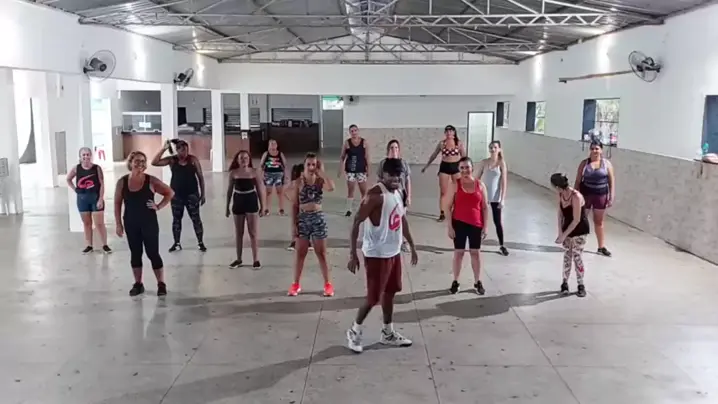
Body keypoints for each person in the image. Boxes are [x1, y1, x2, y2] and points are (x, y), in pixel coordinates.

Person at [346, 158, 419, 353]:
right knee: (373, 297)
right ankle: (354, 330)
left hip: (393, 252)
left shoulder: (398, 192)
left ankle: (387, 332)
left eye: (398, 175)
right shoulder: (375, 196)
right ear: (382, 175)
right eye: (391, 175)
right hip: (376, 254)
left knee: (391, 291)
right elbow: (356, 221)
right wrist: (353, 254)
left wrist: (412, 244)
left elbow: (402, 219)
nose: (395, 179)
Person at [114, 151, 174, 297]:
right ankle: (138, 283)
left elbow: (170, 193)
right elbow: (117, 203)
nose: (140, 164)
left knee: (153, 253)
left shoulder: (151, 181)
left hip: (148, 223)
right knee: (135, 254)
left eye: (142, 161)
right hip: (131, 223)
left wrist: (158, 206)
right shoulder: (122, 182)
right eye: (137, 161)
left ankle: (161, 283)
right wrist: (118, 224)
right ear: (130, 162)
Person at [289, 153, 335, 297]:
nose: (311, 167)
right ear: (304, 166)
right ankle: (296, 284)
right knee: (300, 253)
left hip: (317, 218)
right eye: (308, 164)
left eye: (313, 164)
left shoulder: (320, 181)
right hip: (303, 218)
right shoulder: (298, 182)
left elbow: (331, 187)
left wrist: (321, 172)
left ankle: (328, 284)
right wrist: (294, 225)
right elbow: (295, 204)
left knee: (321, 253)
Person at [442, 157, 488, 295]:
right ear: (459, 169)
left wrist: (485, 227)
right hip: (459, 224)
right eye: (461, 168)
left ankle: (477, 281)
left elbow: (485, 207)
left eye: (467, 167)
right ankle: (455, 281)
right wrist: (450, 226)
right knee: (459, 253)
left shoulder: (480, 185)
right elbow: (447, 207)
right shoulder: (455, 185)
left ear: (472, 168)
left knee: (475, 253)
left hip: (476, 224)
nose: (464, 170)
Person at [151, 139, 206, 252]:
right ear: (177, 150)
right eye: (182, 150)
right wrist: (163, 149)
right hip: (176, 196)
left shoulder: (193, 160)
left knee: (196, 219)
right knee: (176, 220)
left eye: (186, 150)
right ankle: (177, 243)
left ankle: (200, 243)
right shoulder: (172, 160)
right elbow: (154, 162)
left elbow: (200, 177)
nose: (184, 153)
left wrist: (203, 194)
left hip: (192, 194)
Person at [551, 173, 590, 298]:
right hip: (567, 227)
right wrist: (560, 232)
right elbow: (560, 213)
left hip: (579, 229)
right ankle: (564, 282)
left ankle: (581, 284)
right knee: (567, 256)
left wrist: (564, 235)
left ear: (558, 186)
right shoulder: (560, 194)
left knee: (577, 256)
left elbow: (576, 220)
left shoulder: (576, 196)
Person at [66, 147, 111, 254]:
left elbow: (102, 184)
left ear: (91, 156)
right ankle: (89, 246)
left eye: (88, 154)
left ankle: (104, 245)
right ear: (80, 157)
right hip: (82, 200)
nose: (86, 157)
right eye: (84, 155)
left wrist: (100, 199)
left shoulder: (96, 168)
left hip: (95, 198)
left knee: (99, 223)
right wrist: (75, 189)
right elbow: (68, 179)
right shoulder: (76, 168)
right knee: (87, 223)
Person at [574, 141, 615, 257]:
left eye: (597, 148)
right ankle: (577, 245)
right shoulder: (584, 164)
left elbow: (611, 182)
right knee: (582, 220)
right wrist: (575, 196)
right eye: (592, 149)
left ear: (601, 150)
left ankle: (601, 247)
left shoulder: (607, 164)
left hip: (601, 196)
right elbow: (578, 181)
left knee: (599, 222)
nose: (594, 151)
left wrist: (611, 197)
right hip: (586, 195)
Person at [226, 150, 266, 269]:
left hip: (251, 201)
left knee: (253, 233)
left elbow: (260, 189)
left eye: (246, 158)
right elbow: (229, 190)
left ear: (249, 160)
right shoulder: (233, 173)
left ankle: (256, 259)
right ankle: (239, 259)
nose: (244, 160)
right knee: (239, 233)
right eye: (241, 158)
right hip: (238, 202)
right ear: (237, 160)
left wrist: (263, 206)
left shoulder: (254, 172)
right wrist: (227, 206)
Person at [421, 125, 466, 221]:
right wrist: (426, 166)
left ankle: (457, 211)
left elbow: (464, 157)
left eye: (451, 131)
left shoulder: (459, 143)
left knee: (457, 191)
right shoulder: (442, 144)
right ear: (445, 133)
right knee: (443, 192)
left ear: (454, 132)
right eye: (447, 131)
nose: (449, 133)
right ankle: (442, 213)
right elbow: (434, 155)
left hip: (456, 167)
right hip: (444, 167)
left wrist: (466, 170)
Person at [376, 139, 412, 252]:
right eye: (392, 147)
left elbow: (407, 181)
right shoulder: (383, 163)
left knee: (401, 219)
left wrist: (409, 196)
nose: (394, 150)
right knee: (387, 218)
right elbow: (379, 180)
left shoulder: (403, 163)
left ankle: (403, 241)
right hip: (387, 194)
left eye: (396, 147)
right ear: (388, 150)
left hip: (400, 194)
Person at [476, 140, 509, 256]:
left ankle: (501, 245)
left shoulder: (501, 163)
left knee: (497, 221)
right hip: (483, 195)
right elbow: (477, 179)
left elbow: (504, 182)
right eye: (491, 147)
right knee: (480, 220)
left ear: (499, 149)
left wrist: (502, 199)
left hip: (495, 196)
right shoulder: (484, 162)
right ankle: (477, 243)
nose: (493, 149)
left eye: (495, 147)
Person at [338, 124, 370, 217]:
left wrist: (368, 169)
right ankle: (348, 209)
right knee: (350, 190)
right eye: (352, 131)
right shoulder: (347, 143)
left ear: (358, 131)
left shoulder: (364, 142)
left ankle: (365, 209)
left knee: (363, 191)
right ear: (349, 132)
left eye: (355, 130)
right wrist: (340, 168)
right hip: (350, 170)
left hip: (361, 169)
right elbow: (342, 157)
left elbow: (367, 156)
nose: (354, 132)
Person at [285, 163, 313, 253]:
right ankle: (294, 241)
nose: (302, 177)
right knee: (295, 223)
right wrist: (292, 199)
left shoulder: (309, 183)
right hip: (296, 206)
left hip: (306, 206)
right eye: (300, 174)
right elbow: (286, 191)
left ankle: (307, 241)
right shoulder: (295, 183)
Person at [258, 139, 288, 216]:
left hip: (279, 175)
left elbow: (285, 166)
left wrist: (285, 176)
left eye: (274, 144)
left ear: (277, 145)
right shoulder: (266, 154)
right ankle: (266, 209)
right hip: (268, 175)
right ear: (268, 146)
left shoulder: (280, 154)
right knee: (268, 193)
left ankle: (281, 209)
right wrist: (261, 176)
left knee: (280, 193)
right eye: (271, 144)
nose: (273, 145)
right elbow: (261, 165)